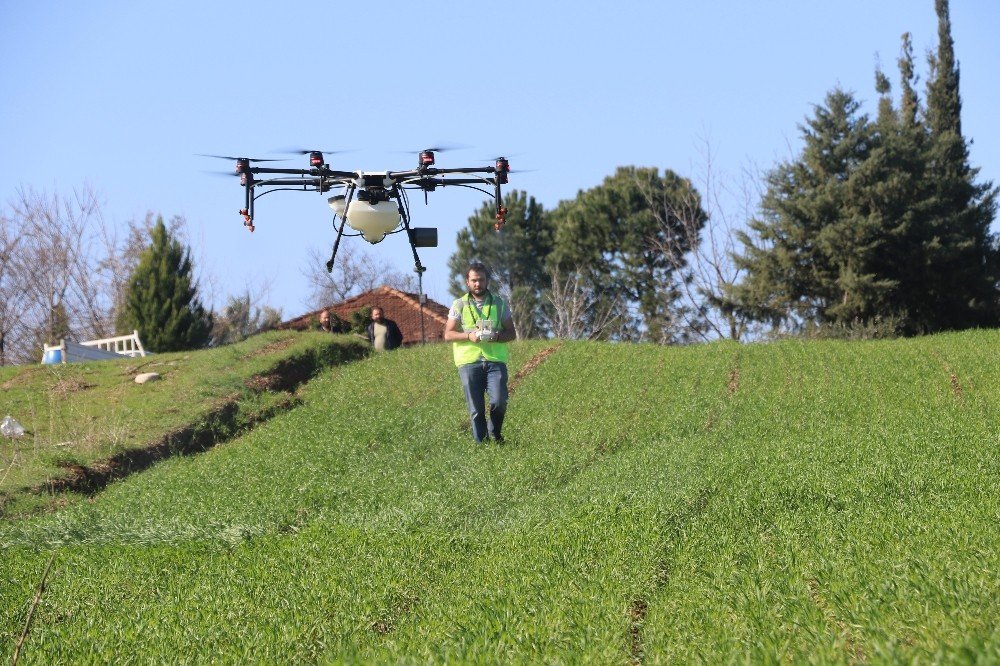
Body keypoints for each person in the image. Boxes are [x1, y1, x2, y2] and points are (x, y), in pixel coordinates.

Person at [443, 262, 516, 443]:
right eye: (474, 280)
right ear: (467, 282)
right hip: (469, 362)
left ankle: (495, 434)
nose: (478, 284)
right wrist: (469, 336)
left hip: (495, 360)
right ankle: (481, 444)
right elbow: (448, 334)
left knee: (499, 402)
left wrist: (497, 336)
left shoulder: (499, 303)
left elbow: (512, 333)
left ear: (487, 281)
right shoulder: (459, 304)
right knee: (476, 409)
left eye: (481, 280)